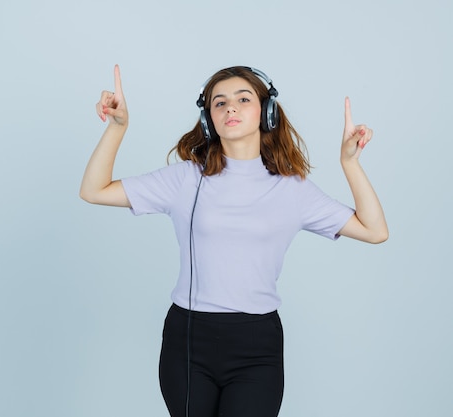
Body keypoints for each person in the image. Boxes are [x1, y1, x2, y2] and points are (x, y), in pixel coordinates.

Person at [79, 64, 388, 417]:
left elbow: (374, 230)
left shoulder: (293, 189)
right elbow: (94, 190)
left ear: (266, 111)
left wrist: (349, 163)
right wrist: (118, 128)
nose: (231, 108)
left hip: (256, 344)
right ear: (209, 117)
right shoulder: (184, 179)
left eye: (244, 99)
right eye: (219, 102)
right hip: (189, 339)